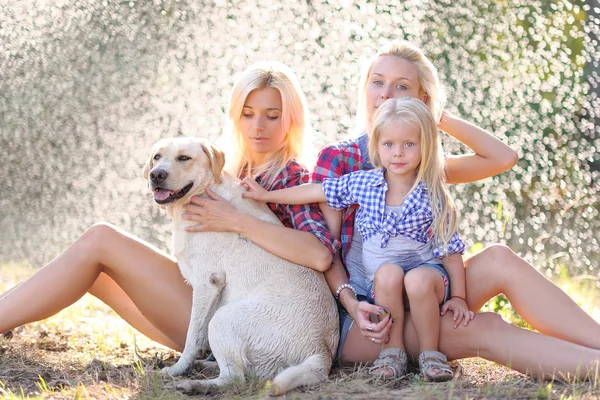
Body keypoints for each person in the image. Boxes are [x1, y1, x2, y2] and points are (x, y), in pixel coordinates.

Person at [0, 61, 340, 353]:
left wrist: (237, 220)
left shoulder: (292, 177)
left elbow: (319, 255)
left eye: (272, 115)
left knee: (100, 240)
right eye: (247, 114)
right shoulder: (222, 169)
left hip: (245, 321)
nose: (257, 126)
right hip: (210, 305)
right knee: (91, 272)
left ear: (292, 120)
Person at [309, 40, 600, 380]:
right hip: (369, 319)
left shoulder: (421, 161)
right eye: (377, 81)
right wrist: (351, 304)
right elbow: (324, 252)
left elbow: (503, 158)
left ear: (422, 99)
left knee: (499, 259)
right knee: (484, 328)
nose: (386, 94)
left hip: (424, 292)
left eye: (402, 87)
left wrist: (437, 117)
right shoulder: (339, 158)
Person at [242, 97, 475, 382]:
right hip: (383, 286)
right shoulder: (366, 183)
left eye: (409, 145)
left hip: (427, 281)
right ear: (376, 145)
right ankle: (393, 352)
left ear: (425, 145)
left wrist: (460, 297)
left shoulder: (432, 194)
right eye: (389, 144)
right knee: (388, 273)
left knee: (417, 279)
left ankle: (431, 354)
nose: (398, 153)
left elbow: (451, 250)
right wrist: (266, 196)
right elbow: (314, 191)